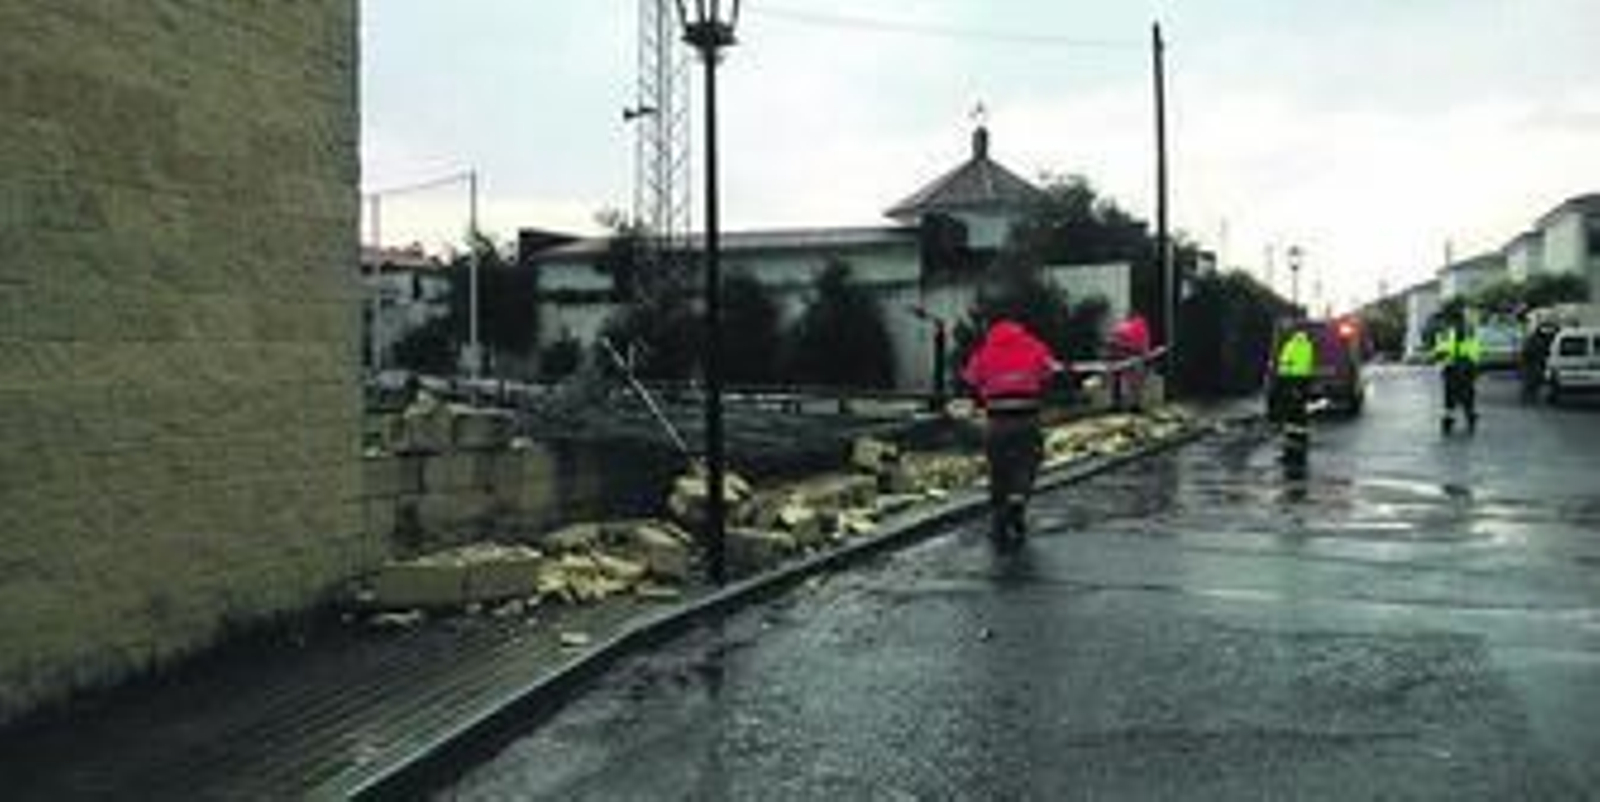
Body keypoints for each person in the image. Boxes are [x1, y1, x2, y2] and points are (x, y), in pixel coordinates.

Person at [962, 318, 1064, 548]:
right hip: (1027, 418)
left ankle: (999, 514)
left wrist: (984, 394)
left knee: (998, 466)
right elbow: (1049, 373)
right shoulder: (1035, 347)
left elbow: (971, 379)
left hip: (997, 420)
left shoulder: (984, 352)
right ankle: (1018, 497)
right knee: (1028, 460)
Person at [1432, 311, 1482, 433]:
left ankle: (1448, 420)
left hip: (1452, 368)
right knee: (1467, 395)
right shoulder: (1469, 331)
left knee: (1450, 396)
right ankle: (1469, 417)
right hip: (1466, 368)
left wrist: (1442, 363)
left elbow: (1440, 352)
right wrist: (1475, 368)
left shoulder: (1445, 332)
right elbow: (1474, 351)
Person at [1274, 327, 1316, 461]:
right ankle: (1298, 449)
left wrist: (1281, 383)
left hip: (1291, 383)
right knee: (1299, 418)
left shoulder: (1292, 345)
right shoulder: (1307, 345)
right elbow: (1306, 365)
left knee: (1292, 420)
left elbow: (1285, 365)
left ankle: (1292, 452)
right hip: (1300, 384)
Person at [1107, 313, 1152, 411]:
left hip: (1126, 357)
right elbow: (1144, 344)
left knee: (1125, 382)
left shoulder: (1123, 326)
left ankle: (1122, 404)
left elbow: (1111, 342)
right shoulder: (1135, 326)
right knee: (1131, 382)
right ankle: (1131, 404)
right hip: (1127, 357)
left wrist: (1116, 347)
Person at [1520, 320, 1559, 403]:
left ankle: (1530, 396)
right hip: (1533, 362)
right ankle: (1528, 396)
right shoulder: (1534, 339)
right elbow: (1527, 351)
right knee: (1531, 379)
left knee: (1535, 380)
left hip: (1538, 362)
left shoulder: (1540, 339)